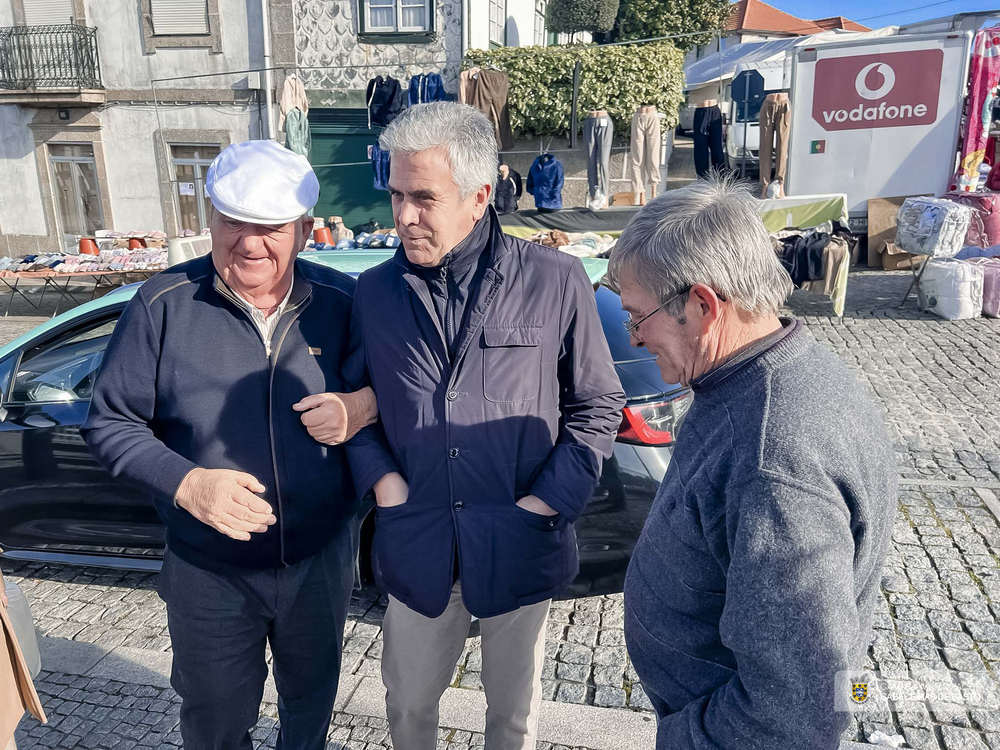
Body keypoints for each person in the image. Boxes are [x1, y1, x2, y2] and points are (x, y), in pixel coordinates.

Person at [316, 101, 624, 749]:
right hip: (416, 543)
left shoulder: (557, 281)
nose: (402, 215)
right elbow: (355, 401)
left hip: (520, 541)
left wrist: (545, 505)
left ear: (480, 196)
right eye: (396, 194)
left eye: (423, 198)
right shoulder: (374, 294)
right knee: (406, 709)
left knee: (512, 718)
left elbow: (597, 407)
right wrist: (385, 486)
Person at [82, 140, 394, 750]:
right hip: (208, 570)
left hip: (319, 560)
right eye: (232, 223)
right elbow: (110, 422)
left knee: (310, 708)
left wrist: (362, 405)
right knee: (216, 719)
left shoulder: (344, 303)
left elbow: (401, 390)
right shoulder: (161, 306)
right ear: (211, 221)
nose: (249, 244)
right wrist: (188, 484)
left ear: (305, 230)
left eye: (270, 228)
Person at [608, 176, 896, 749]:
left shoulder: (775, 457)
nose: (634, 340)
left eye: (637, 318)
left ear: (702, 305)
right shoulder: (770, 370)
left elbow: (794, 712)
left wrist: (685, 739)